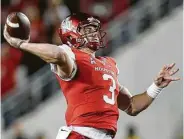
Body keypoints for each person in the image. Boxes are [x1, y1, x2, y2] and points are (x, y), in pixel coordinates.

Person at [3, 12, 180, 139]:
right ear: (71, 36)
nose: (94, 33)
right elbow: (58, 54)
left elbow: (132, 106)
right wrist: (23, 45)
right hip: (80, 134)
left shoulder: (109, 64)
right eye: (87, 30)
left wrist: (156, 86)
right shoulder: (71, 56)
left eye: (95, 29)